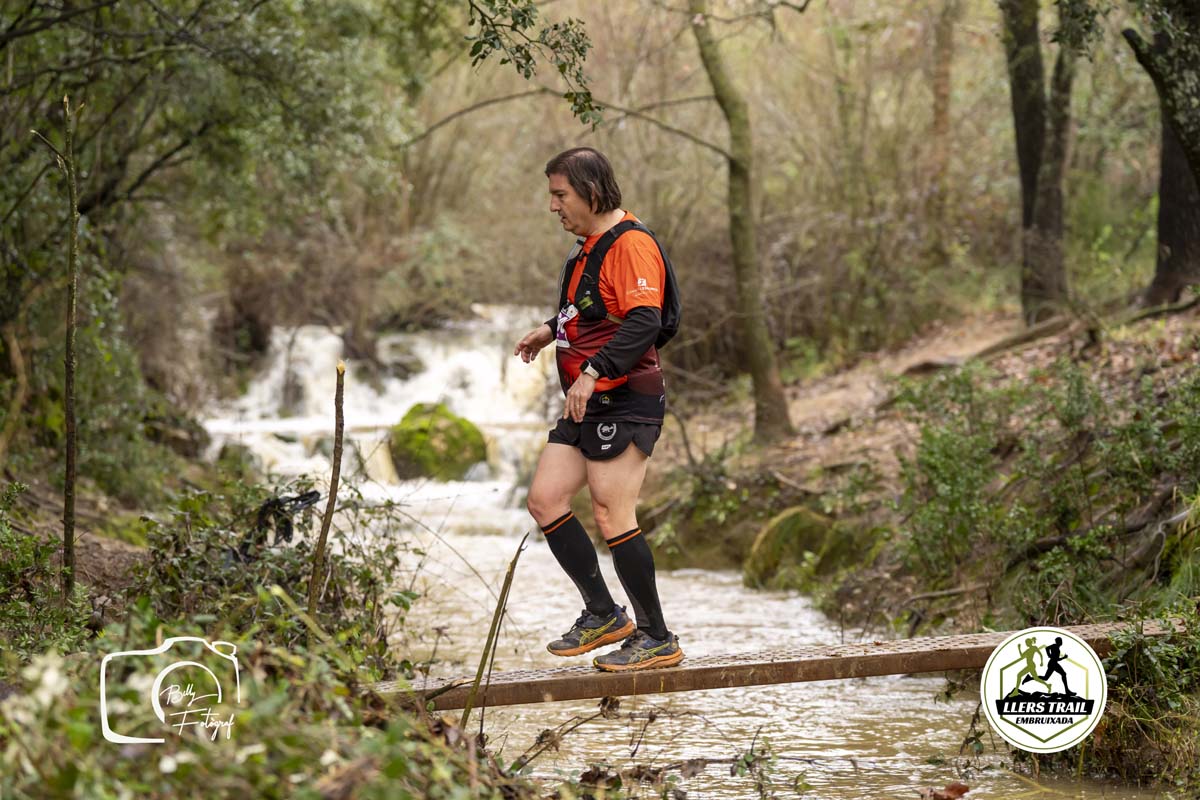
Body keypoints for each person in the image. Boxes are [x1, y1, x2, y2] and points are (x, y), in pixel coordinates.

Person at [512, 146, 682, 672]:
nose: (553, 206)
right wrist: (550, 329)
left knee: (612, 513)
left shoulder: (630, 243)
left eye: (560, 195)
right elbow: (590, 308)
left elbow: (645, 320)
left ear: (590, 191)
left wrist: (592, 371)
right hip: (586, 401)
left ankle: (657, 637)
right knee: (545, 500)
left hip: (624, 397)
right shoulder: (588, 246)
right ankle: (605, 614)